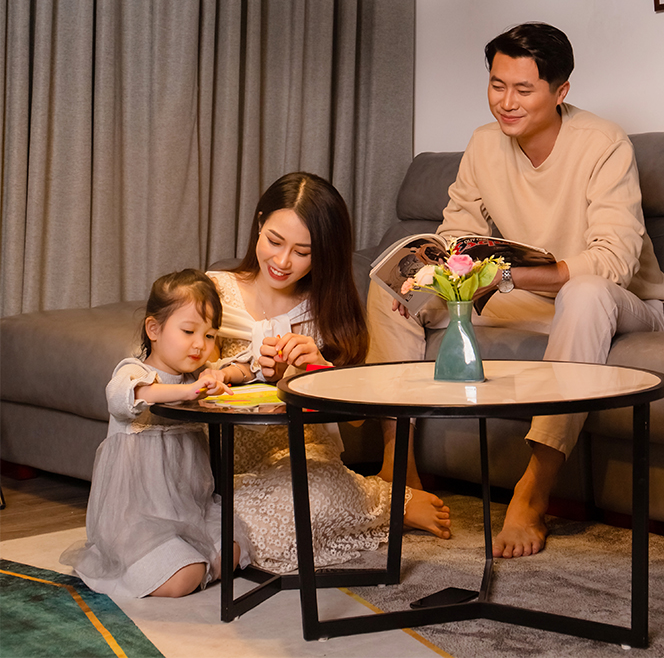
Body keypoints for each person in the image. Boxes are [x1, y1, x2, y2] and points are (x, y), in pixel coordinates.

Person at [367, 22, 664, 559]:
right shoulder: (485, 144)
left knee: (584, 293)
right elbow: (457, 233)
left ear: (560, 91)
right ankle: (399, 468)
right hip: (529, 300)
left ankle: (535, 486)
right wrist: (434, 267)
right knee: (394, 289)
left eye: (523, 89)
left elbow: (613, 263)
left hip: (619, 304)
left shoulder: (604, 144)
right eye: (496, 85)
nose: (505, 103)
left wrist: (504, 275)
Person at [207, 171, 451, 573]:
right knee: (205, 499)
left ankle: (386, 502)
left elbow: (355, 419)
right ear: (259, 223)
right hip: (220, 456)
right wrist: (241, 371)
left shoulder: (327, 312)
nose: (282, 262)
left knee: (313, 497)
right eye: (274, 241)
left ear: (325, 253)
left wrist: (315, 369)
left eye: (303, 252)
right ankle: (387, 501)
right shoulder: (214, 292)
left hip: (299, 459)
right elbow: (184, 373)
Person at [60, 270, 250, 598]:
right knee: (185, 578)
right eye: (188, 331)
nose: (200, 344)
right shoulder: (135, 372)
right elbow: (127, 395)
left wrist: (222, 375)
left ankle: (188, 560)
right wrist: (189, 391)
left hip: (190, 510)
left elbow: (243, 366)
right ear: (154, 329)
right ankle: (154, 568)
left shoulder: (195, 375)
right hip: (137, 517)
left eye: (209, 336)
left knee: (230, 552)